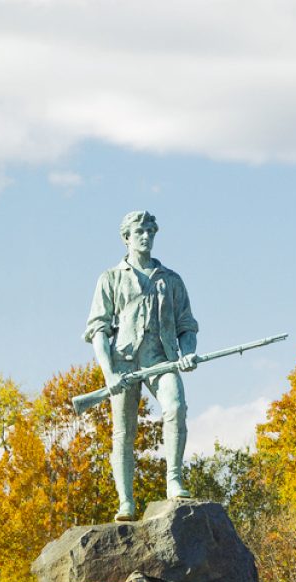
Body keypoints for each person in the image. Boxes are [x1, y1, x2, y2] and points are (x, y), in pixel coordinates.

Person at [84, 210, 199, 520]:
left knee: (175, 407)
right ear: (126, 238)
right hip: (123, 362)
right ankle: (126, 502)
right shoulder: (109, 278)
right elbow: (98, 330)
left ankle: (174, 479)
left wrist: (187, 352)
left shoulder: (171, 280)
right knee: (123, 432)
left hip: (161, 357)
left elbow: (187, 326)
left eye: (150, 230)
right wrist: (109, 373)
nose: (146, 236)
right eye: (139, 232)